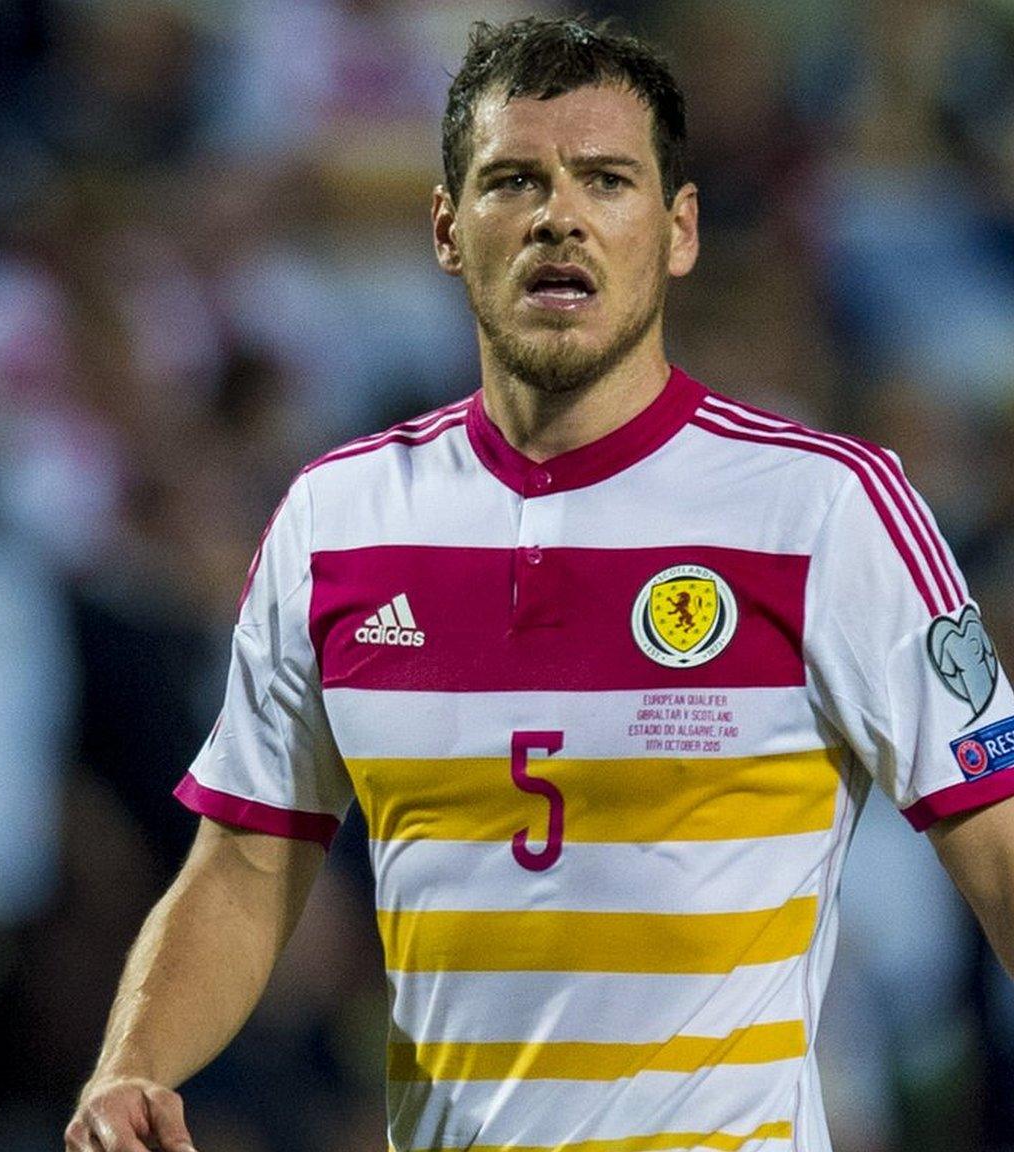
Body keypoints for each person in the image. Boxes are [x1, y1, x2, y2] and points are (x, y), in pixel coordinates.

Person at [66, 16, 1014, 1152]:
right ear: (445, 231)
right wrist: (129, 1068)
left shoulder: (825, 509)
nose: (556, 215)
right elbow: (244, 862)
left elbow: (998, 839)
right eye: (512, 180)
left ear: (677, 232)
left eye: (604, 180)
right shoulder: (335, 517)